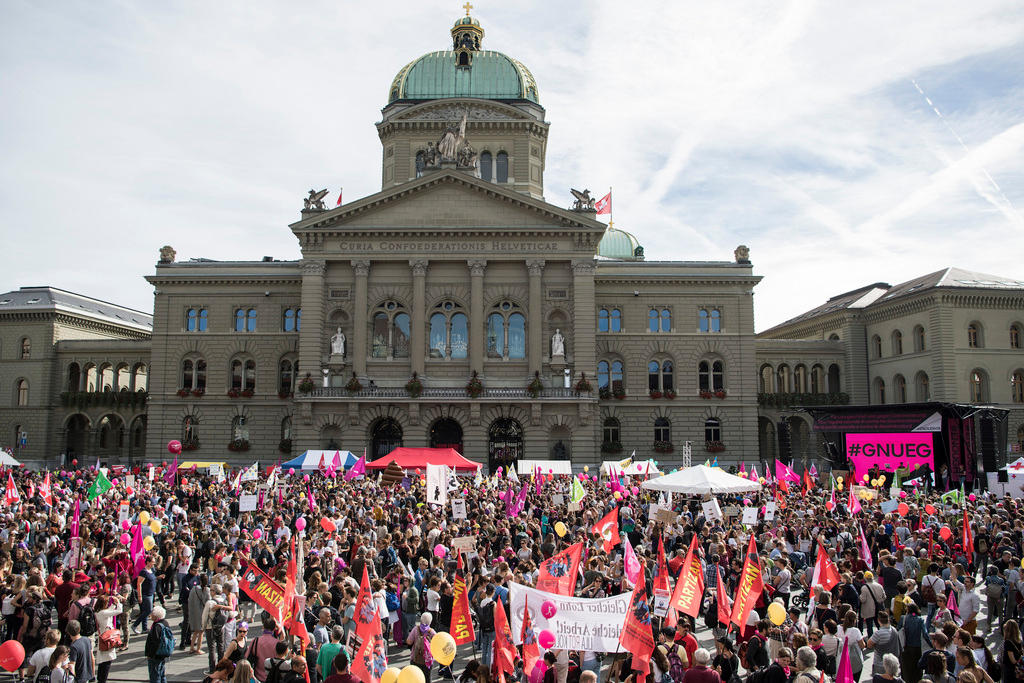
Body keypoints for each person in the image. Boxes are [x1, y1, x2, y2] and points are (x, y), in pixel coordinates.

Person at [94, 595, 123, 683]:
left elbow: (110, 611)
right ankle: (102, 680)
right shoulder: (103, 613)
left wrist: (113, 604)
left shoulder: (99, 612)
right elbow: (119, 611)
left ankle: (100, 679)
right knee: (107, 661)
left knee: (103, 661)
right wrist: (118, 602)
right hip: (107, 638)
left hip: (104, 635)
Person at [145, 606, 174, 683]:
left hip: (155, 655)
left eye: (152, 614)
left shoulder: (157, 626)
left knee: (155, 676)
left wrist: (150, 654)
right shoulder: (165, 622)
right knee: (161, 674)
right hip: (162, 653)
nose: (150, 615)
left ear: (155, 615)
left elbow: (155, 642)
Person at [868, 612, 902, 677]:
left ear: (878, 620)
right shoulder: (894, 630)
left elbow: (869, 645)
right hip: (893, 663)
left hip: (880, 664)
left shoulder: (878, 634)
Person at [408, 613, 437, 683]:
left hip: (415, 658)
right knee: (427, 678)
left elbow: (409, 641)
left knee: (415, 679)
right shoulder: (432, 632)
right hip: (428, 660)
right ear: (430, 621)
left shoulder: (416, 629)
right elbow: (437, 643)